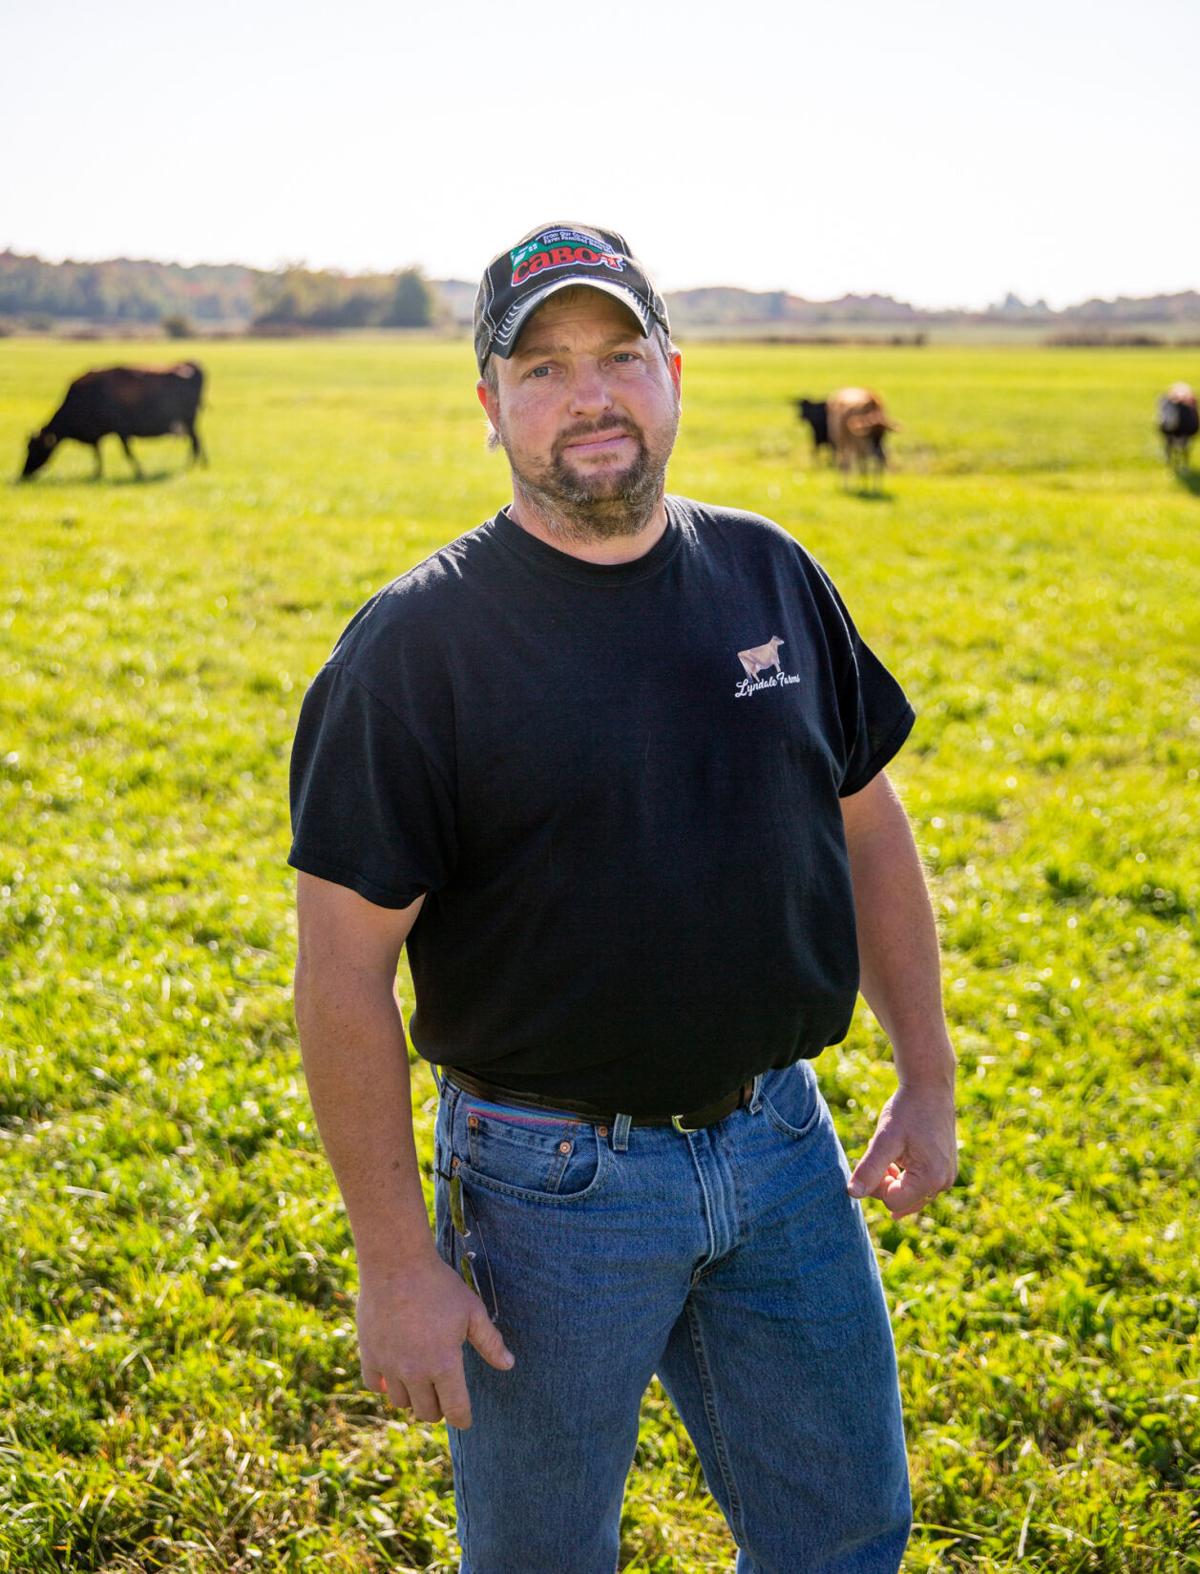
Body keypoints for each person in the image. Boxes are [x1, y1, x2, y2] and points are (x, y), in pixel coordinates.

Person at [288, 222, 958, 1574]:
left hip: (784, 1148)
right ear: (490, 408)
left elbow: (868, 823)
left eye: (617, 355)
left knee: (846, 1529)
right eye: (541, 368)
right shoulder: (415, 649)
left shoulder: (771, 571)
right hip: (550, 1191)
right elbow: (342, 969)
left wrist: (928, 1075)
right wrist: (396, 1260)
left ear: (672, 372)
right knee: (543, 1557)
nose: (587, 393)